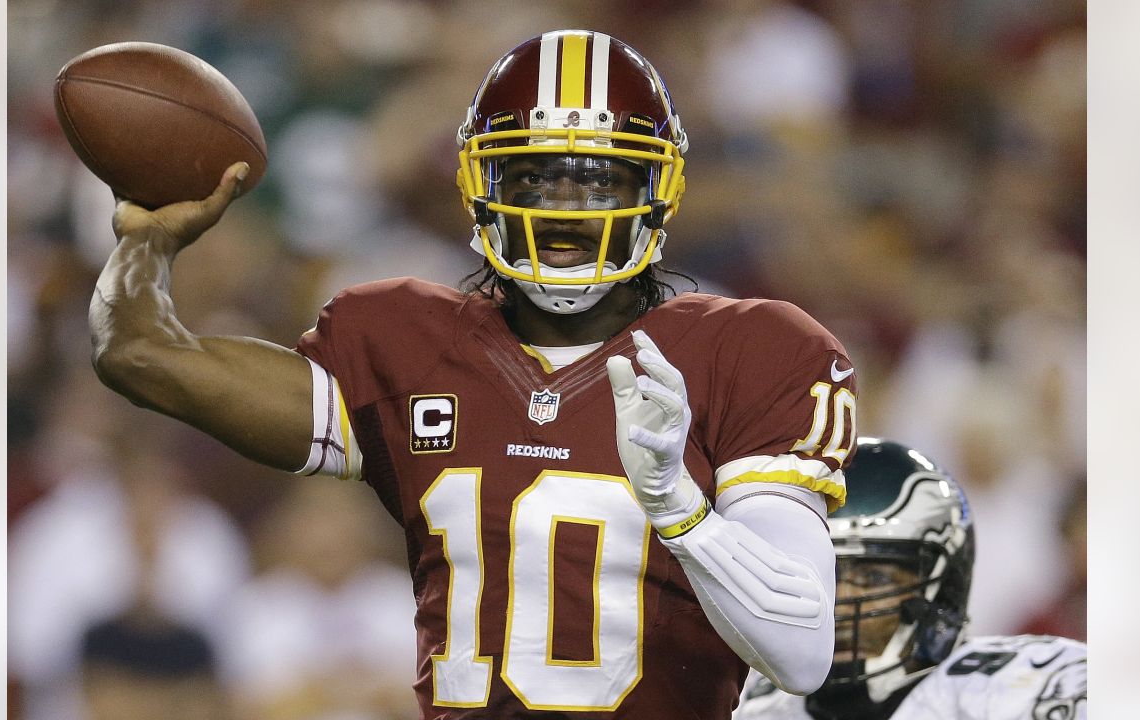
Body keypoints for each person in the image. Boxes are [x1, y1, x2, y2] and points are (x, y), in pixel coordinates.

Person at [90, 29, 859, 718]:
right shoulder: (402, 342)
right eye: (532, 180)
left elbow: (800, 653)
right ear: (477, 184)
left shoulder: (752, 352)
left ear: (657, 191)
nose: (563, 215)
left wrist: (683, 511)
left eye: (598, 182)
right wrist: (145, 244)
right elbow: (139, 354)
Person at [733, 437, 1087, 720]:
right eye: (826, 572)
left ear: (941, 587)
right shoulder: (755, 703)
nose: (838, 596)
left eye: (871, 576)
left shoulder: (1021, 689)